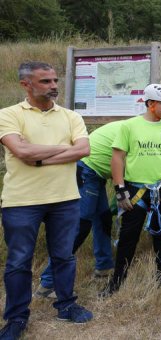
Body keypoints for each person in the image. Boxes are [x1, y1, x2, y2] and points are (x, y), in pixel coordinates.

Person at [0, 62, 93, 339]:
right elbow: (20, 150)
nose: (53, 86)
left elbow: (84, 149)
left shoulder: (70, 117)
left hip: (65, 199)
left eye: (54, 80)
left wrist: (37, 156)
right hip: (21, 201)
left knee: (64, 256)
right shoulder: (9, 114)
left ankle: (66, 305)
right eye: (45, 81)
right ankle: (16, 318)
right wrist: (65, 149)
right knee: (18, 261)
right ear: (26, 85)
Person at [101, 84, 161, 296]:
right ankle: (116, 283)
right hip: (136, 192)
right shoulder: (130, 126)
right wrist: (120, 189)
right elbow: (117, 157)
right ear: (151, 104)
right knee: (128, 237)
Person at [36, 121, 122, 299]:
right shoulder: (137, 131)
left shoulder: (137, 127)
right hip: (86, 170)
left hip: (96, 174)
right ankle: (47, 283)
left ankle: (104, 266)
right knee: (80, 227)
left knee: (104, 218)